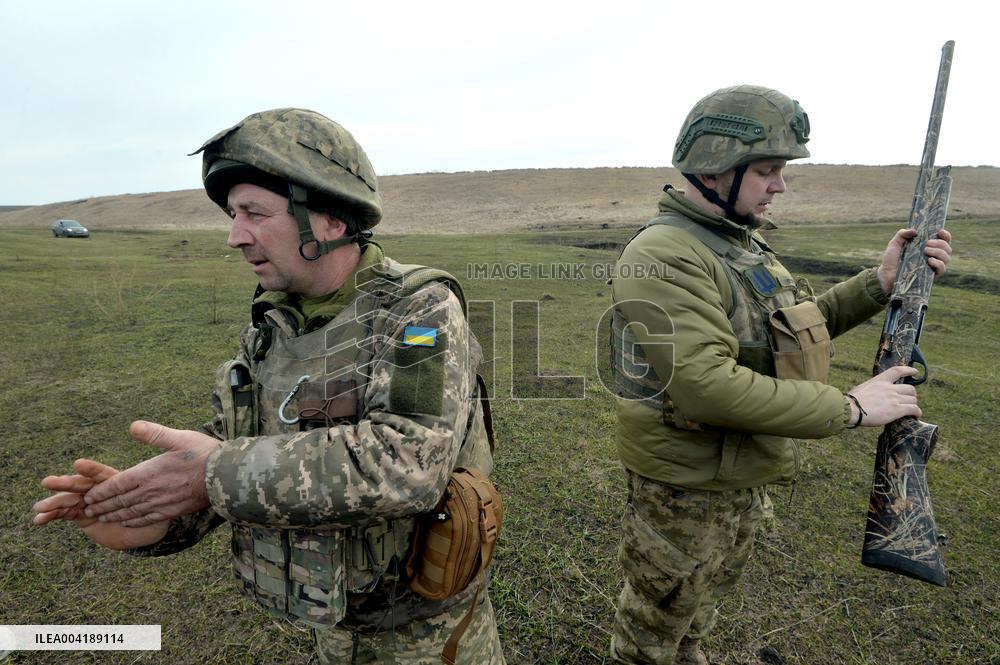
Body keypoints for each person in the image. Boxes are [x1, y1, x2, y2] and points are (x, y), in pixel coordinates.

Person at [33, 108, 506, 665]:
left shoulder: (418, 312)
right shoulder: (272, 328)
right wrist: (149, 512)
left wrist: (210, 474)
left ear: (331, 219)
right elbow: (235, 450)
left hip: (429, 638)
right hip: (333, 628)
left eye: (255, 212)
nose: (235, 236)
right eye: (233, 214)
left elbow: (409, 461)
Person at [607, 85, 953, 664]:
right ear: (715, 171)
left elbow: (794, 328)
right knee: (651, 633)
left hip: (737, 474)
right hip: (686, 488)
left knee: (697, 613)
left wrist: (880, 283)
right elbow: (704, 386)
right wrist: (850, 407)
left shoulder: (739, 245)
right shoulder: (665, 254)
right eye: (767, 170)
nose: (780, 185)